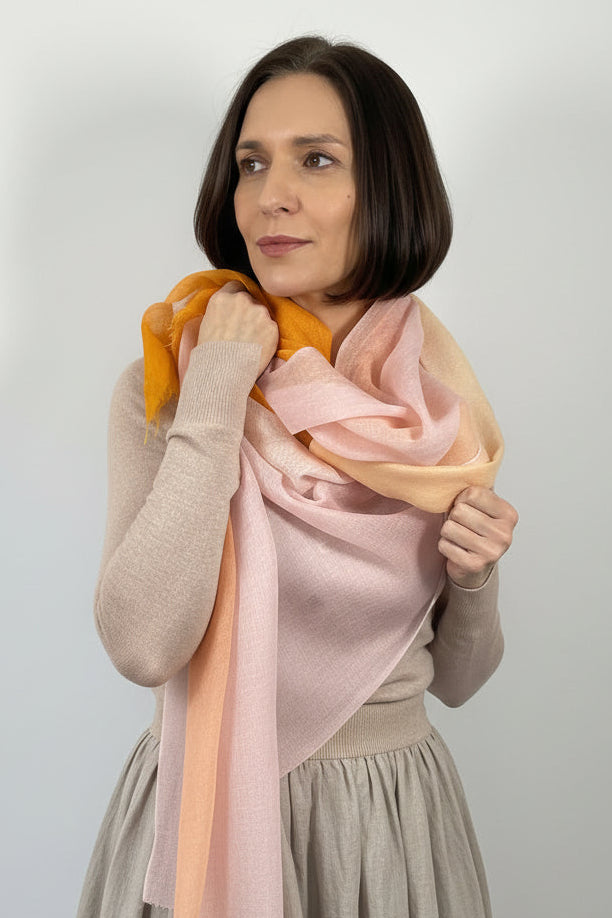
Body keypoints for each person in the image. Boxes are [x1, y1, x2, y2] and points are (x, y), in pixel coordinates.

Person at [77, 35, 518, 918]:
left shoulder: (437, 414)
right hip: (200, 815)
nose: (269, 196)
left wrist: (476, 580)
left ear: (386, 187)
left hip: (387, 824)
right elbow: (141, 644)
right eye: (250, 163)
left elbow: (459, 681)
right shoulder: (171, 380)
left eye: (317, 159)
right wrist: (215, 398)